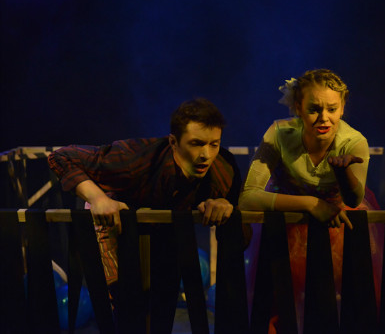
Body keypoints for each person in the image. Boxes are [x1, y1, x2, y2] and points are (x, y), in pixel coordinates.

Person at [48, 98, 241, 299]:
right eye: (196, 144)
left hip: (164, 236)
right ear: (173, 142)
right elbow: (61, 157)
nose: (206, 155)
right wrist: (98, 198)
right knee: (123, 301)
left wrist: (225, 204)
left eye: (214, 144)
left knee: (160, 300)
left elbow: (242, 236)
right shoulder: (138, 157)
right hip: (115, 226)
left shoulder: (224, 170)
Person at [238, 68, 382, 331]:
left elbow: (353, 199)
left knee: (346, 305)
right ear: (298, 107)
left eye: (332, 109)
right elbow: (248, 197)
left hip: (336, 226)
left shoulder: (353, 141)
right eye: (314, 109)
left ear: (342, 108)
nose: (324, 118)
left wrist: (343, 173)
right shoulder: (280, 133)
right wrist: (310, 203)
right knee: (276, 305)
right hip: (286, 227)